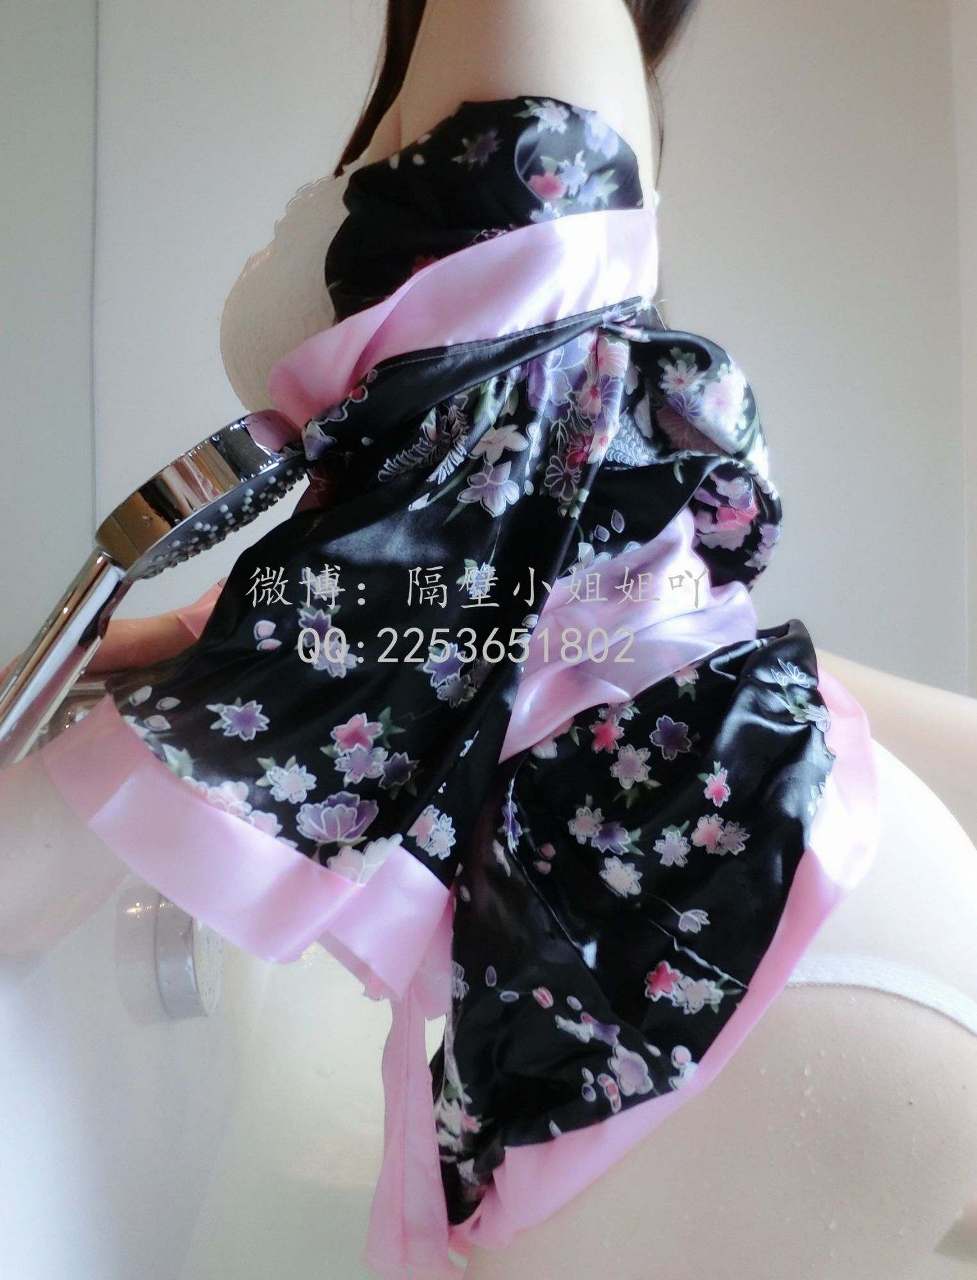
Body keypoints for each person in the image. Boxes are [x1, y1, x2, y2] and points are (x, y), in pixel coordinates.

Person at [2, 3, 976, 1278]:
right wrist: (186, 649)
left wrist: (52, 831)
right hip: (731, 906)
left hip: (731, 938)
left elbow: (466, 538)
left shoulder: (528, 11)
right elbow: (521, 544)